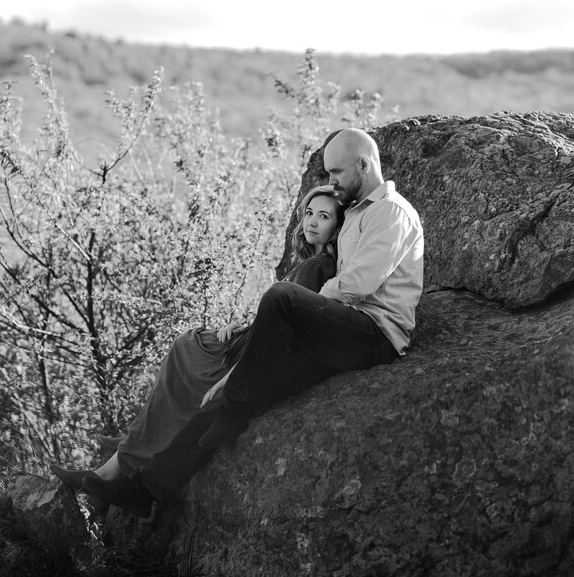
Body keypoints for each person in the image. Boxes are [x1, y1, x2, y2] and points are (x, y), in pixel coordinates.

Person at [79, 128, 424, 518]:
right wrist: (240, 372)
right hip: (340, 331)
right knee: (233, 397)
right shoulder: (359, 212)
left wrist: (301, 306)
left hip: (372, 333)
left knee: (282, 297)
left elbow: (358, 284)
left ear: (364, 164)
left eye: (337, 173)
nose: (331, 182)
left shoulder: (391, 211)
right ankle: (149, 487)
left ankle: (235, 397)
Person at [50, 184, 345, 500]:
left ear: (337, 227)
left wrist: (244, 350)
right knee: (188, 347)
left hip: (252, 357)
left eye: (324, 216)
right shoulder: (312, 263)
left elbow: (288, 328)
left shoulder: (316, 267)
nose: (312, 222)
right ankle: (129, 449)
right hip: (247, 341)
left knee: (185, 349)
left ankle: (113, 467)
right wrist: (241, 325)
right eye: (310, 213)